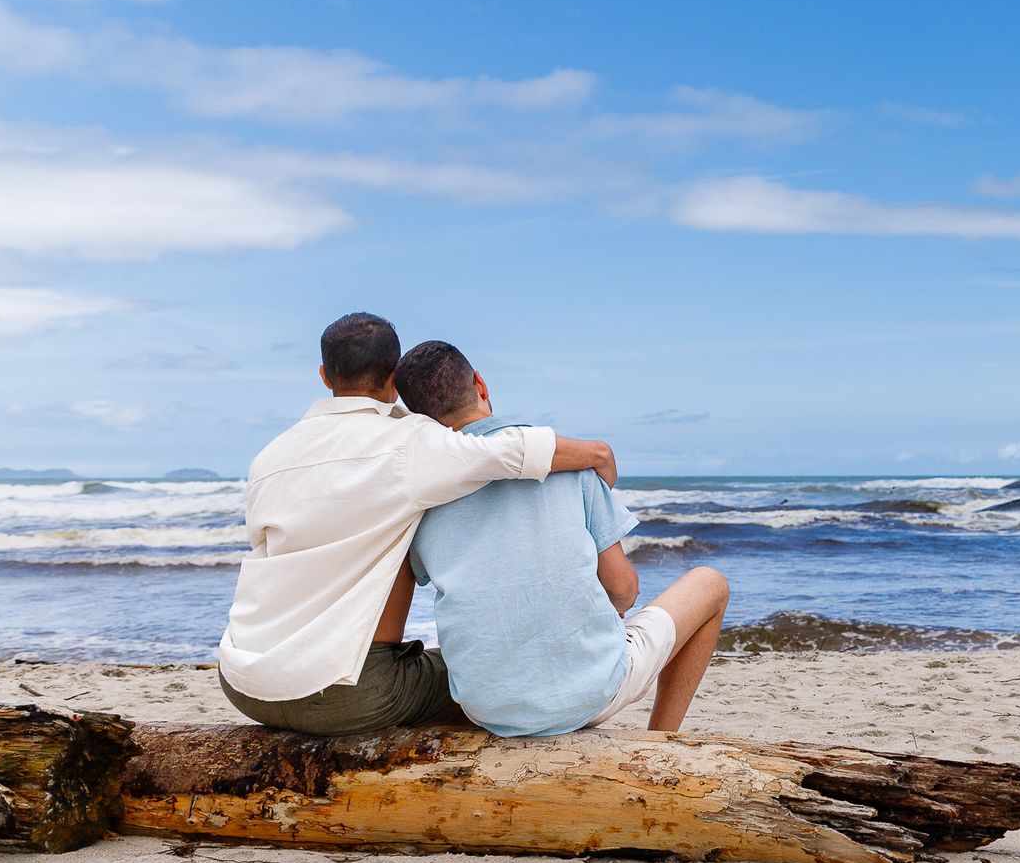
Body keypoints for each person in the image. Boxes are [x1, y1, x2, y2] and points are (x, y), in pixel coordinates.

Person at [216, 313, 617, 735]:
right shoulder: (409, 441)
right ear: (394, 379)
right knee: (491, 678)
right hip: (346, 692)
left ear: (324, 375)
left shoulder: (269, 457)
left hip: (244, 682)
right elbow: (506, 451)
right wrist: (598, 455)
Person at [394, 339, 729, 735]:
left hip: (485, 707)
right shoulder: (570, 464)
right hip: (590, 694)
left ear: (418, 418)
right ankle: (661, 738)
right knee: (711, 584)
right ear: (480, 384)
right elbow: (623, 591)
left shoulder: (421, 492)